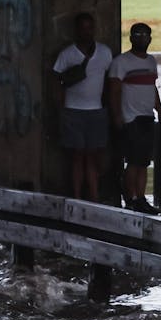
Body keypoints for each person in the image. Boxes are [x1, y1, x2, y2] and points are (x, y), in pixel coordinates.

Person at [107, 21, 161, 214]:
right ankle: (131, 198)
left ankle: (141, 198)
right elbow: (114, 91)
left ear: (150, 39)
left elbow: (152, 88)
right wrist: (117, 116)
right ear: (131, 38)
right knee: (133, 161)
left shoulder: (151, 62)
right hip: (131, 118)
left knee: (143, 162)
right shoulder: (121, 62)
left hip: (147, 117)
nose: (142, 39)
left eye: (145, 35)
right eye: (138, 35)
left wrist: (160, 111)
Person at [50, 11, 113, 201]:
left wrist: (109, 106)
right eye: (83, 28)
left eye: (90, 27)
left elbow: (110, 81)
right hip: (73, 112)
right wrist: (60, 107)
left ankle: (93, 197)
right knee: (77, 157)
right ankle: (77, 196)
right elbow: (54, 79)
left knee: (93, 156)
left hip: (96, 111)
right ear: (76, 30)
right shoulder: (67, 54)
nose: (87, 32)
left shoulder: (105, 52)